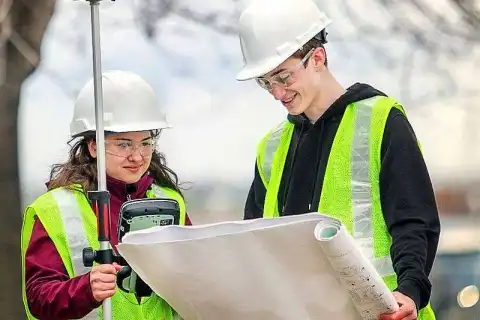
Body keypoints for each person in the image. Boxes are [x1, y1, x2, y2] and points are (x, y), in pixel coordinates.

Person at [235, 0, 440, 319]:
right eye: (266, 82)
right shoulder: (271, 147)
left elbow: (413, 220)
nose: (277, 93)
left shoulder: (381, 121)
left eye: (283, 77)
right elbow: (255, 241)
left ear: (317, 57)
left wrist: (411, 288)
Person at [21, 70, 189, 320]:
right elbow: (38, 299)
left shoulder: (171, 202)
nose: (137, 156)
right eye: (124, 144)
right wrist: (85, 290)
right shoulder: (53, 209)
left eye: (145, 143)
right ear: (93, 146)